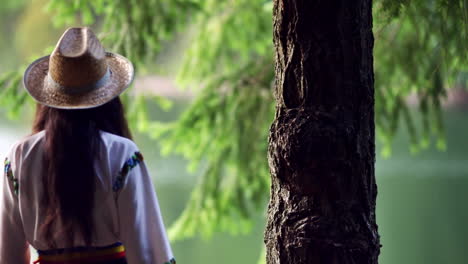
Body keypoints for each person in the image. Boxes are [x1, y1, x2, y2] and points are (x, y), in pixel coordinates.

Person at [0, 27, 176, 264]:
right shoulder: (122, 154)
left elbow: (9, 256)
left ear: (50, 97)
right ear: (108, 97)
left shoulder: (20, 156)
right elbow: (145, 254)